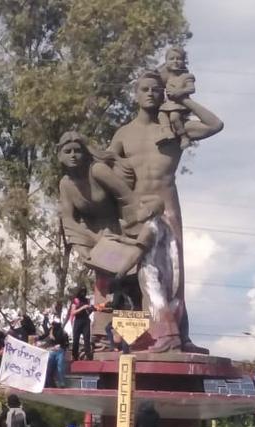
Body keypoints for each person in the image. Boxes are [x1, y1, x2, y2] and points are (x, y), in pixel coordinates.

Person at [108, 69, 223, 353]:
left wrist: (184, 101)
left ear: (162, 94)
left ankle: (179, 336)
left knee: (174, 274)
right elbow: (106, 170)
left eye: (155, 90)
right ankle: (157, 335)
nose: (150, 94)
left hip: (168, 206)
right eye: (144, 89)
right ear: (135, 94)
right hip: (136, 209)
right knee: (146, 275)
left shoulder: (173, 127)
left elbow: (215, 124)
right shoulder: (123, 134)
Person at [157, 46, 196, 149]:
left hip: (180, 104)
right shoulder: (167, 77)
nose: (175, 61)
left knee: (174, 117)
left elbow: (191, 89)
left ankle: (184, 136)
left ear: (183, 61)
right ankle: (167, 133)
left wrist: (180, 92)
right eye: (171, 59)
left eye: (178, 59)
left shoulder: (187, 76)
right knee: (161, 115)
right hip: (169, 103)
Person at [42, 322, 70, 389]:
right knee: (49, 368)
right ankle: (49, 384)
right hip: (52, 351)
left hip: (60, 351)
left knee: (60, 367)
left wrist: (61, 347)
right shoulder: (51, 330)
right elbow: (44, 335)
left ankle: (61, 383)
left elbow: (65, 343)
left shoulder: (63, 332)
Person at [69, 288, 93, 361]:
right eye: (82, 292)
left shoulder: (87, 300)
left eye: (84, 292)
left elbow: (88, 312)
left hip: (86, 320)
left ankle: (88, 356)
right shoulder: (76, 300)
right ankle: (75, 356)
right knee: (76, 339)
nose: (83, 293)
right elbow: (73, 312)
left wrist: (90, 309)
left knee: (87, 338)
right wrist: (83, 307)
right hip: (78, 321)